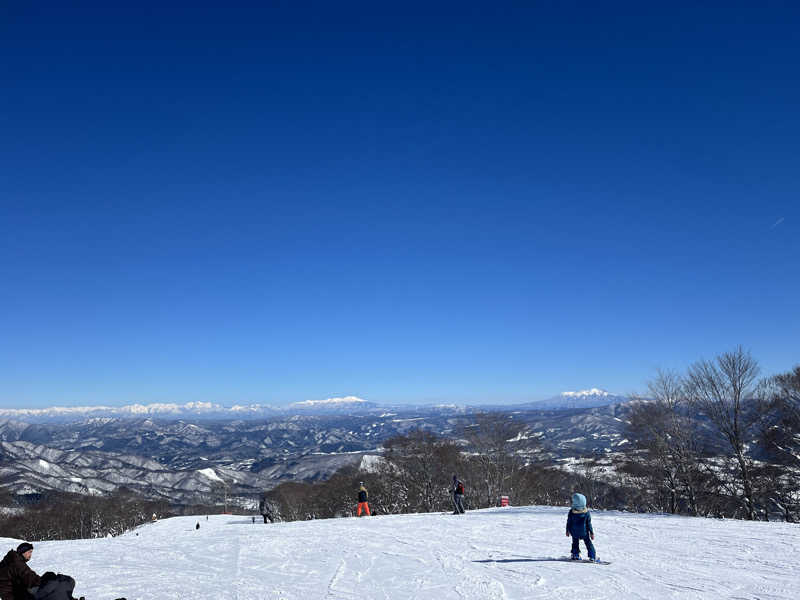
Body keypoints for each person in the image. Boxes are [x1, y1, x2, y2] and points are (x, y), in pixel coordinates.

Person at [566, 492, 597, 562]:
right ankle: (592, 556)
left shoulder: (571, 512)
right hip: (584, 532)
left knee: (575, 543)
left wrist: (567, 531)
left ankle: (575, 555)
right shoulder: (586, 513)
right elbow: (589, 524)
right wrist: (591, 533)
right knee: (588, 543)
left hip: (574, 532)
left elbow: (569, 522)